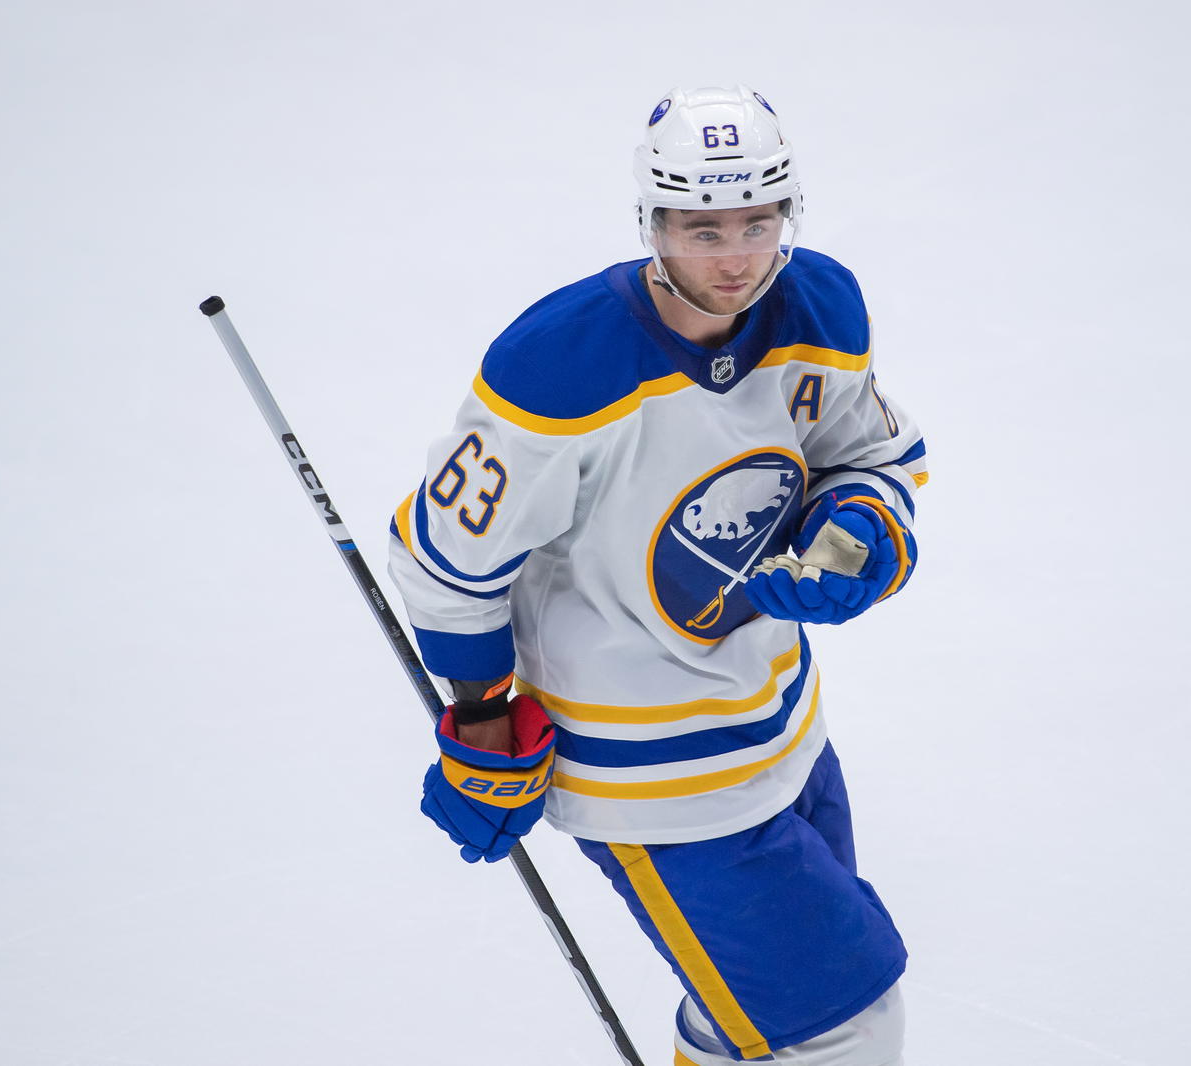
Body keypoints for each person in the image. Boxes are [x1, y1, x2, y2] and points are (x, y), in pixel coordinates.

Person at [390, 85, 927, 1066]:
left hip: (783, 725)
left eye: (758, 222)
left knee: (746, 1025)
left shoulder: (822, 308)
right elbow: (447, 554)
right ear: (652, 223)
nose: (734, 257)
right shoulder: (560, 364)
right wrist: (479, 716)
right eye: (701, 227)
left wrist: (856, 534)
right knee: (840, 1024)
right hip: (647, 774)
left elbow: (870, 459)